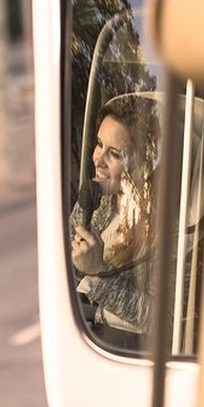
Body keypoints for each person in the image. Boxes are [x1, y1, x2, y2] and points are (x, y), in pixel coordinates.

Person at [69, 94, 160, 347]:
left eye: (114, 154)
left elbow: (162, 320)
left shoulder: (166, 227)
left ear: (143, 165)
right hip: (87, 338)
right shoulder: (95, 201)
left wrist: (99, 273)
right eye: (98, 144)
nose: (98, 159)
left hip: (129, 351)